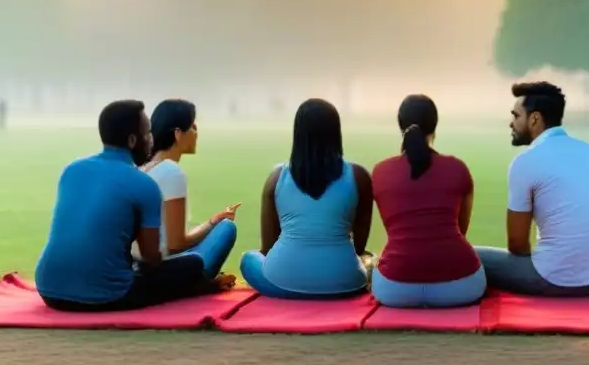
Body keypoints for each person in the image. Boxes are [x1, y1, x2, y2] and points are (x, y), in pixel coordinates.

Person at [34, 100, 223, 311]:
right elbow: (152, 259)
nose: (152, 140)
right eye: (148, 134)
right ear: (133, 140)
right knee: (193, 264)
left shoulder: (72, 170)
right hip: (106, 295)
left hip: (49, 290)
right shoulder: (144, 185)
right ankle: (196, 288)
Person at [475, 82, 589, 297]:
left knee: (467, 255)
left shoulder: (525, 161)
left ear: (534, 119)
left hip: (556, 280)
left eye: (516, 116)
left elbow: (517, 244)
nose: (510, 123)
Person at [240, 99, 372, 299]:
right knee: (371, 260)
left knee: (248, 259)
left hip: (281, 282)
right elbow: (360, 247)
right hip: (345, 283)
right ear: (336, 132)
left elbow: (266, 249)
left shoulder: (276, 178)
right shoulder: (358, 175)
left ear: (298, 133)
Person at [370, 94, 485, 308]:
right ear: (435, 127)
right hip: (462, 287)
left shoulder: (380, 172)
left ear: (400, 125)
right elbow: (461, 230)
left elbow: (397, 230)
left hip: (394, 289)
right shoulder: (457, 168)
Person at [140, 99, 238, 283]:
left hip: (140, 264)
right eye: (193, 127)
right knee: (226, 229)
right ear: (178, 133)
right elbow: (176, 244)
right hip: (160, 271)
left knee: (219, 225)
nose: (196, 133)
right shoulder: (171, 171)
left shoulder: (144, 167)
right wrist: (214, 225)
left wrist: (212, 221)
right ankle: (200, 284)